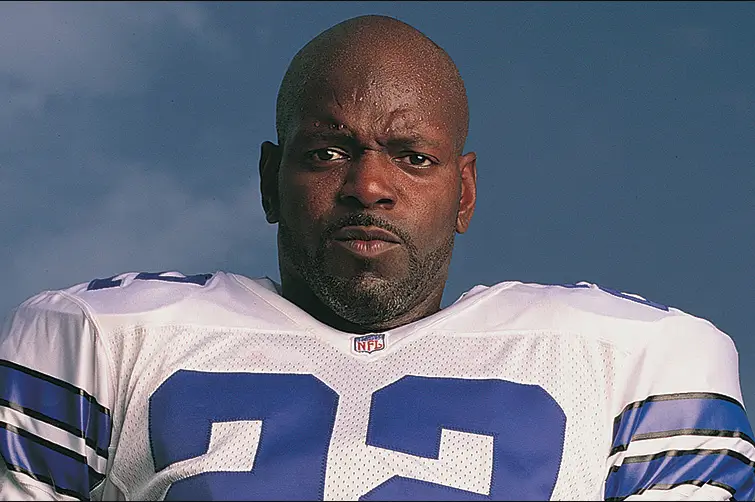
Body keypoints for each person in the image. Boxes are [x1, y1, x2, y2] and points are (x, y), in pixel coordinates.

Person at [0, 14, 752, 502]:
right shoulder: (103, 336)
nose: (368, 186)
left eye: (412, 157)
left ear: (463, 193)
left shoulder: (634, 361)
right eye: (328, 152)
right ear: (270, 180)